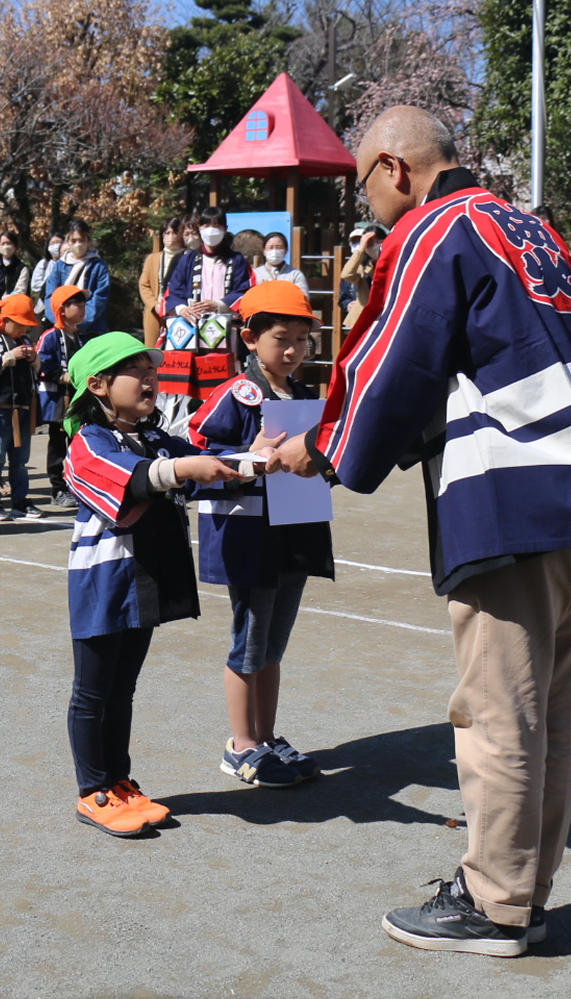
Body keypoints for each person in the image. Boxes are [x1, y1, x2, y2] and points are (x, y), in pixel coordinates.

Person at [267, 105, 571, 957]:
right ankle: (523, 887)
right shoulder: (525, 227)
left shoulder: (437, 228)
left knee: (498, 710)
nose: (367, 208)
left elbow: (395, 357)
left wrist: (321, 447)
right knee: (552, 709)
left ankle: (495, 903)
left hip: (514, 493)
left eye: (364, 184)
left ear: (395, 168)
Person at [60, 332, 246, 837]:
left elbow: (210, 460)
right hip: (102, 581)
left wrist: (254, 458)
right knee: (92, 692)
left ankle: (119, 782)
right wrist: (184, 467)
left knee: (122, 690)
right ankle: (92, 790)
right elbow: (137, 479)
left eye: (150, 369)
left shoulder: (156, 437)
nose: (149, 377)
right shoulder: (87, 442)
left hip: (140, 580)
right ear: (97, 385)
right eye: (134, 370)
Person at [187, 281, 333, 789]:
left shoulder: (307, 398)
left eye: (301, 338)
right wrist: (246, 456)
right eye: (280, 338)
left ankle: (267, 738)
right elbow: (196, 444)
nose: (292, 349)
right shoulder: (239, 392)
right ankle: (240, 745)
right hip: (250, 534)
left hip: (294, 532)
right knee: (248, 642)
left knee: (273, 645)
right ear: (249, 339)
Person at [159, 207, 254, 434]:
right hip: (189, 334)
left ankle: (221, 428)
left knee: (222, 381)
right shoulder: (187, 259)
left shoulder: (237, 261)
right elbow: (173, 291)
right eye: (206, 225)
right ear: (198, 228)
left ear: (225, 229)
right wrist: (182, 308)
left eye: (217, 226)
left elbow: (246, 291)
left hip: (226, 335)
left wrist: (220, 304)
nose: (211, 231)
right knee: (183, 385)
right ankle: (179, 431)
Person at [0, 293, 43, 520]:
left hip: (23, 407)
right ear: (5, 320)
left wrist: (34, 359)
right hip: (0, 408)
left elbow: (39, 371)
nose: (24, 330)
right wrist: (8, 357)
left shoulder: (25, 342)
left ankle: (20, 501)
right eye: (20, 325)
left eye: (27, 326)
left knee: (20, 460)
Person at [39, 284, 88, 508]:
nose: (82, 308)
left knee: (78, 444)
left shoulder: (79, 336)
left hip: (78, 398)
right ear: (62, 308)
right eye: (77, 304)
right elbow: (42, 365)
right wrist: (62, 376)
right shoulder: (50, 336)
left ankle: (76, 485)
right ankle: (58, 489)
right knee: (58, 444)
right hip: (59, 399)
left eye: (83, 304)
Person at [41, 220, 110, 340]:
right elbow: (50, 297)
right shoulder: (60, 265)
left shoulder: (99, 266)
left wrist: (80, 321)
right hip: (61, 328)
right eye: (73, 241)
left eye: (81, 240)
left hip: (91, 330)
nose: (78, 244)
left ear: (88, 242)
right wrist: (59, 321)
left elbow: (100, 299)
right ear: (67, 242)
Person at [137, 218, 188, 349]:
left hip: (180, 312)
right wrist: (155, 305)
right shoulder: (153, 259)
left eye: (174, 232)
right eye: (166, 233)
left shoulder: (189, 256)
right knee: (153, 351)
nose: (170, 237)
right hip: (155, 312)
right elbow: (144, 285)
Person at [252, 231, 309, 296]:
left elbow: (303, 298)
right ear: (264, 251)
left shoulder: (295, 275)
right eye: (270, 247)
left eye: (279, 247)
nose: (274, 251)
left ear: (286, 250)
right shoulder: (255, 274)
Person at [30, 231, 63, 310]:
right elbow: (35, 286)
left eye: (58, 242)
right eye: (52, 243)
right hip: (44, 305)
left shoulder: (69, 263)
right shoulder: (43, 263)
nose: (55, 246)